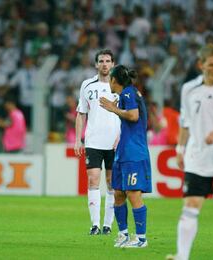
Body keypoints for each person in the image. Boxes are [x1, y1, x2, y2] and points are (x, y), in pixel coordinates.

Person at [167, 44, 213, 260]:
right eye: (211, 65)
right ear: (201, 65)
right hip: (197, 158)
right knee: (191, 205)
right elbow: (185, 122)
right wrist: (180, 149)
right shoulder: (189, 89)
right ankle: (182, 256)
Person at [100, 65, 152, 248]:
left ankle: (141, 238)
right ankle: (123, 235)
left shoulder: (129, 93)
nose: (109, 83)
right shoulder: (125, 95)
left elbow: (133, 116)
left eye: (111, 80)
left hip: (134, 153)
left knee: (133, 193)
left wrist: (113, 109)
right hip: (124, 151)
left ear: (115, 80)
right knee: (119, 193)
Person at [74, 49, 120, 235]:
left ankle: (108, 226)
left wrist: (121, 137)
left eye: (108, 61)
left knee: (111, 183)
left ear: (113, 64)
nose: (104, 64)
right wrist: (78, 140)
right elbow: (81, 113)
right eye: (101, 61)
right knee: (93, 180)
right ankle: (95, 224)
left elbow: (127, 115)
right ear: (96, 64)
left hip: (114, 142)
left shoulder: (119, 86)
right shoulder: (87, 85)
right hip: (93, 141)